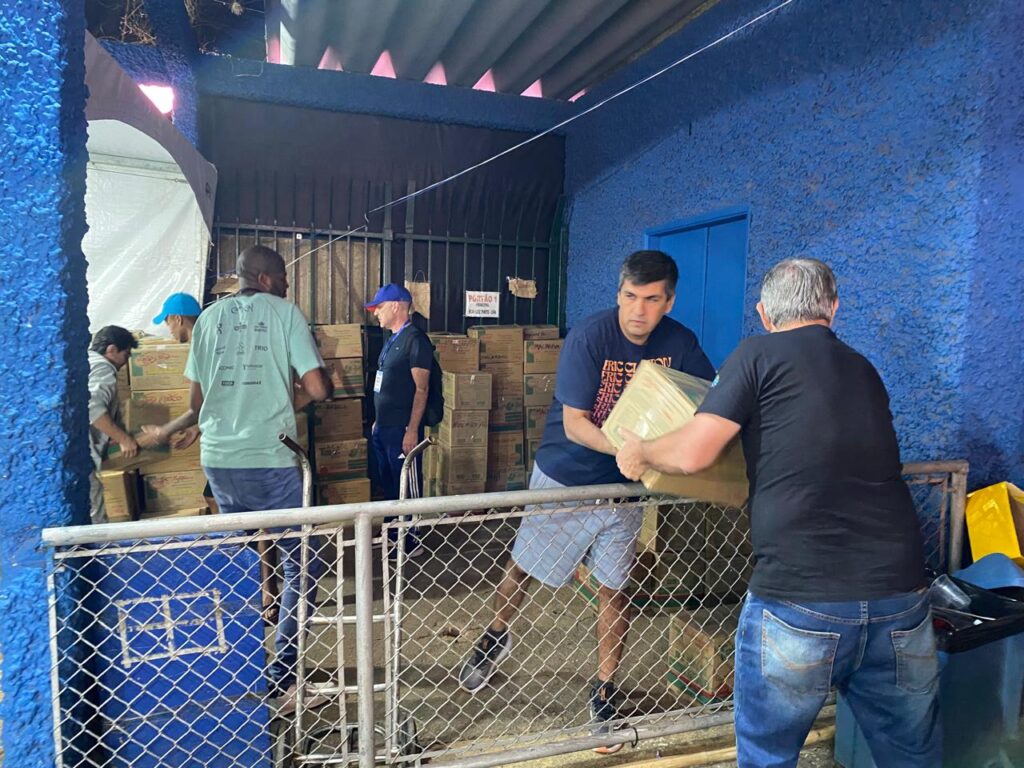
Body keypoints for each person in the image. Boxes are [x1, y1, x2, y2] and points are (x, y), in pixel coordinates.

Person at [616, 258, 938, 767]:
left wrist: (642, 450)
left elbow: (695, 452)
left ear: (765, 313)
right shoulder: (862, 368)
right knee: (910, 754)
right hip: (900, 596)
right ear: (833, 308)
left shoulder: (757, 355)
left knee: (769, 754)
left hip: (801, 597)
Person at [458, 250, 715, 753]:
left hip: (626, 488)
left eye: (652, 300)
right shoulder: (591, 337)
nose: (638, 310)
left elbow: (709, 398)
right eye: (630, 297)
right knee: (523, 567)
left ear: (669, 301)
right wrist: (629, 452)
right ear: (618, 294)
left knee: (615, 589)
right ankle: (496, 633)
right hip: (568, 476)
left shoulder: (680, 343)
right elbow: (576, 423)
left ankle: (604, 689)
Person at [144, 245, 334, 712]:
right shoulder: (286, 314)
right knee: (303, 565)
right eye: (283, 278)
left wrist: (170, 430)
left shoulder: (208, 319)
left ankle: (238, 675)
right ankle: (282, 676)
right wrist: (294, 394)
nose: (287, 286)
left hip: (220, 461)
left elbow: (197, 403)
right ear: (265, 279)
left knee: (238, 566)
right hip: (272, 459)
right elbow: (318, 388)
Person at [365, 283, 433, 557]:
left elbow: (421, 389)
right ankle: (392, 533)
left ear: (396, 306)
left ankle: (410, 541)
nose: (375, 314)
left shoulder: (415, 340)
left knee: (406, 484)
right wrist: (377, 421)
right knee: (390, 483)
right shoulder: (393, 339)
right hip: (383, 427)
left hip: (402, 430)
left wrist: (412, 430)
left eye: (379, 307)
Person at [87, 325, 155, 523]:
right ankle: (96, 542)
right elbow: (93, 409)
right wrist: (125, 439)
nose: (126, 362)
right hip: (83, 452)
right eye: (126, 354)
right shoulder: (103, 368)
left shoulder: (88, 362)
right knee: (93, 509)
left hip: (80, 451)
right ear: (111, 350)